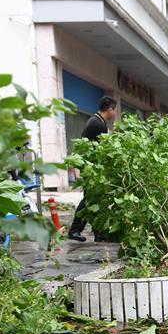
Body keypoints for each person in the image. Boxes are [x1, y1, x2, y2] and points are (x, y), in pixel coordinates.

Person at [69, 96, 117, 242]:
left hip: (91, 167)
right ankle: (75, 230)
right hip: (91, 168)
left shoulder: (97, 120)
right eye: (115, 110)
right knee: (90, 199)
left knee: (95, 199)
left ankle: (98, 233)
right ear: (109, 109)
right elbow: (102, 150)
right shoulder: (97, 124)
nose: (115, 114)